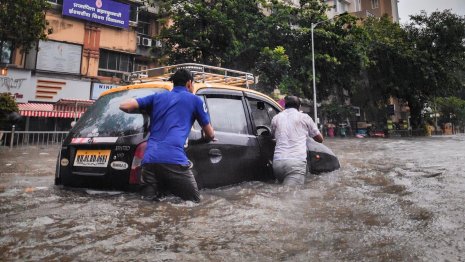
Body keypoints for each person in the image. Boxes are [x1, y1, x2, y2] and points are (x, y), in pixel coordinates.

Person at [119, 69, 215, 202]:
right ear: (189, 83)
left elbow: (124, 106)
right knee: (195, 204)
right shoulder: (195, 100)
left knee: (147, 205)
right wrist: (206, 138)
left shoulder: (157, 97)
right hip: (174, 160)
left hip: (149, 161)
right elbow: (210, 134)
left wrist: (145, 107)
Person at [271, 95, 323, 186]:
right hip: (295, 164)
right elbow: (319, 139)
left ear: (284, 106)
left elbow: (272, 135)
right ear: (299, 107)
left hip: (277, 163)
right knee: (291, 195)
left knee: (281, 192)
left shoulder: (276, 118)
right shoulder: (304, 117)